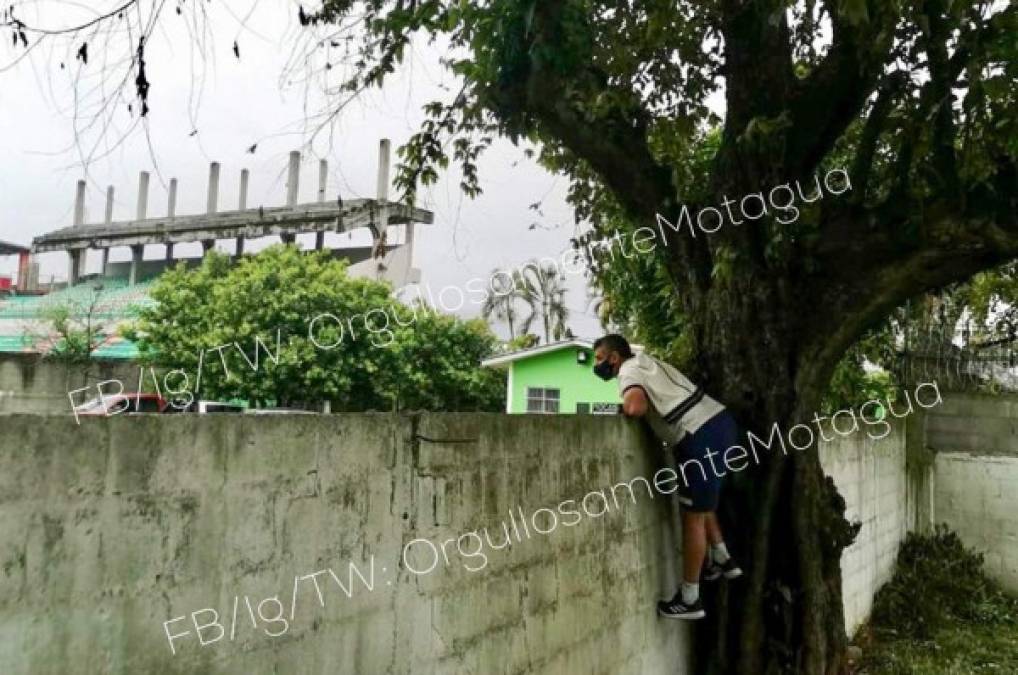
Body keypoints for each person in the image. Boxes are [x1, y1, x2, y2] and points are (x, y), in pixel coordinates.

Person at [592, 334, 742, 620]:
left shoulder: (628, 370)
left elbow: (635, 407)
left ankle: (689, 599)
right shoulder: (647, 362)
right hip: (720, 424)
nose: (597, 365)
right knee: (701, 501)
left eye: (599, 359)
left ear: (613, 358)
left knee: (692, 517)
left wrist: (620, 405)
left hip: (698, 436)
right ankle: (723, 557)